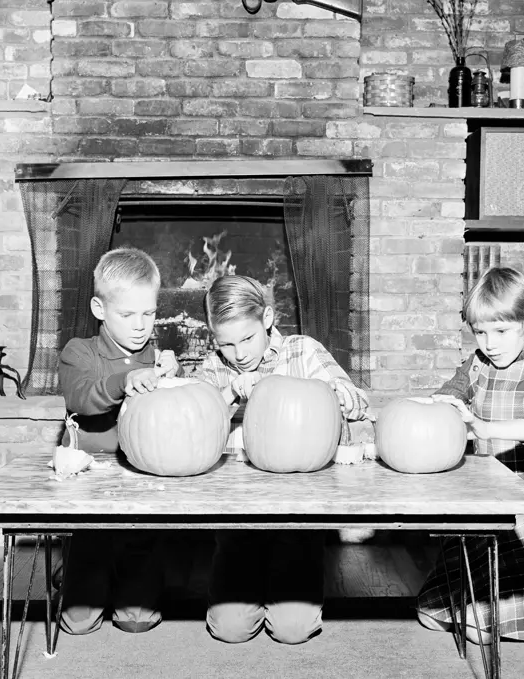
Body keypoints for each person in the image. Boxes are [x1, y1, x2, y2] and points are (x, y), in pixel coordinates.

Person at [416, 267, 524, 644]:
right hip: (488, 502)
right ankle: (477, 602)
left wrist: (486, 427)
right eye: (479, 332)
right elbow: (451, 392)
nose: (489, 343)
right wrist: (433, 404)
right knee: (430, 611)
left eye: (501, 331)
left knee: (476, 627)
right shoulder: (477, 364)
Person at [199, 274, 370, 644]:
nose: (239, 353)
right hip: (237, 512)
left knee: (293, 631)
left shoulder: (302, 351)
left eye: (247, 338)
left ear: (267, 319)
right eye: (226, 343)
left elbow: (359, 402)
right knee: (231, 630)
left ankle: (292, 575)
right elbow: (190, 425)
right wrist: (229, 393)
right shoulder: (214, 367)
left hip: (298, 509)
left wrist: (340, 396)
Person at [57, 247, 183, 635]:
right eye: (127, 314)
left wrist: (171, 377)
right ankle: (75, 572)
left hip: (141, 485)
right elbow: (82, 396)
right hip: (89, 487)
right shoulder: (80, 352)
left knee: (137, 619)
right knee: (78, 622)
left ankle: (139, 578)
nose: (140, 325)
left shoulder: (158, 357)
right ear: (99, 308)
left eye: (149, 313)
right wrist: (124, 381)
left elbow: (180, 419)